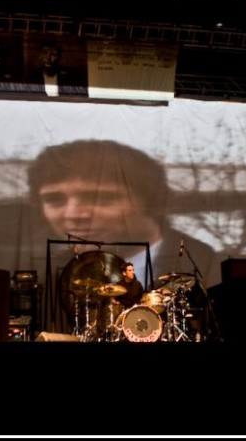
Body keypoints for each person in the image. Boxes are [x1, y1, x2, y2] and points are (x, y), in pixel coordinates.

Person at [27, 139, 219, 334]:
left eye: (101, 198)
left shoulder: (203, 256)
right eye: (54, 199)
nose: (73, 215)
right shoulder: (64, 272)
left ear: (149, 202)